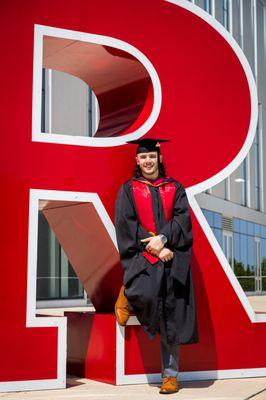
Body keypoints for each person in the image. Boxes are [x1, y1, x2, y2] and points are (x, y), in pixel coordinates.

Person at [114, 138, 198, 394]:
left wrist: (163, 240)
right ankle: (128, 293)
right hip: (143, 255)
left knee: (170, 319)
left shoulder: (175, 188)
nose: (148, 161)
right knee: (146, 290)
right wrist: (153, 247)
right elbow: (126, 224)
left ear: (159, 159)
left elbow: (183, 221)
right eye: (144, 157)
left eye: (152, 156)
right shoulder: (129, 189)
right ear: (137, 161)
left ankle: (170, 376)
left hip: (171, 256)